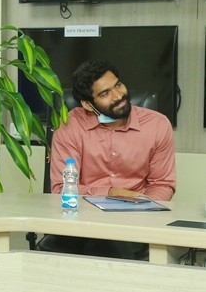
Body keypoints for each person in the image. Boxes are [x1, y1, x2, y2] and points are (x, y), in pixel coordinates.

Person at [45, 59, 176, 258]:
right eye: (105, 94)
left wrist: (144, 207)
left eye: (118, 85)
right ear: (88, 105)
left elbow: (163, 184)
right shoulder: (69, 126)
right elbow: (61, 188)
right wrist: (112, 192)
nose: (118, 96)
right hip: (80, 222)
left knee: (109, 248)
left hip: (133, 223)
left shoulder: (157, 125)